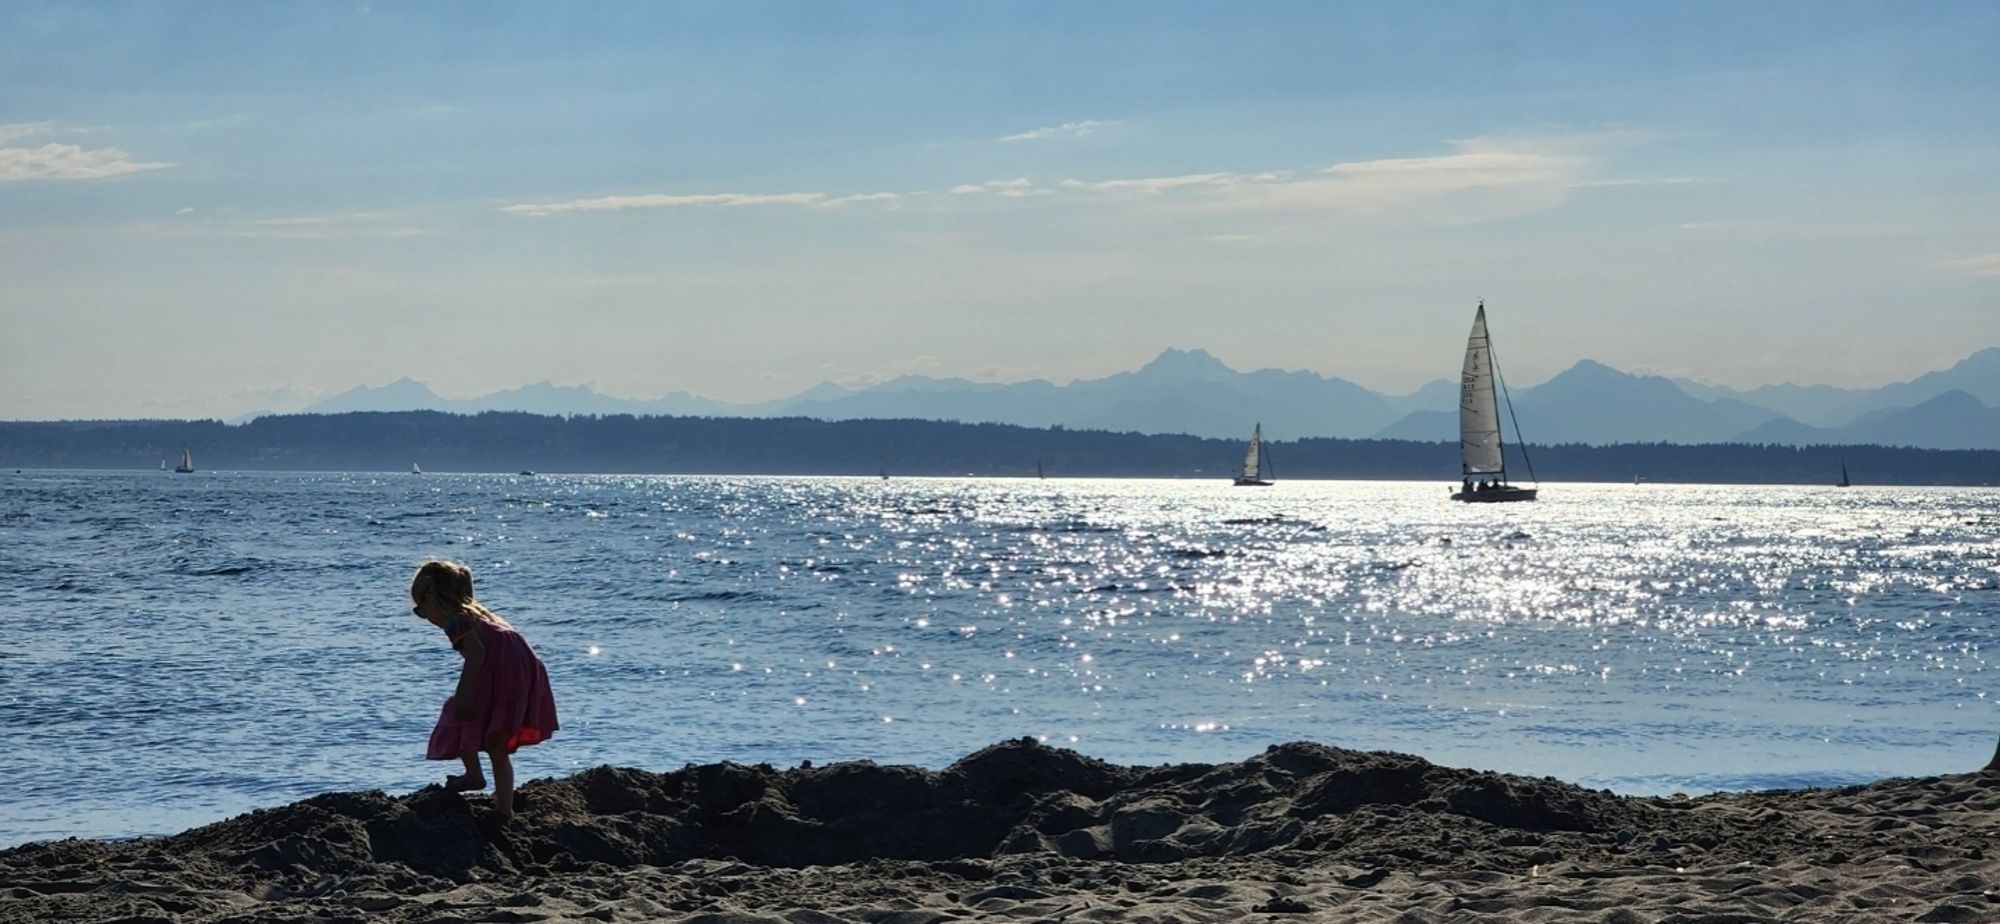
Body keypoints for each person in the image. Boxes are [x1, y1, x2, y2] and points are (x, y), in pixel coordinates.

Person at [410, 559, 558, 819]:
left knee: (458, 711)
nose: (424, 618)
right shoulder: (478, 614)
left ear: (432, 599)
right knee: (496, 740)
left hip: (502, 666)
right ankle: (503, 810)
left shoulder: (455, 621)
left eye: (420, 610)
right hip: (520, 664)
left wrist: (465, 691)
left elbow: (476, 654)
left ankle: (474, 775)